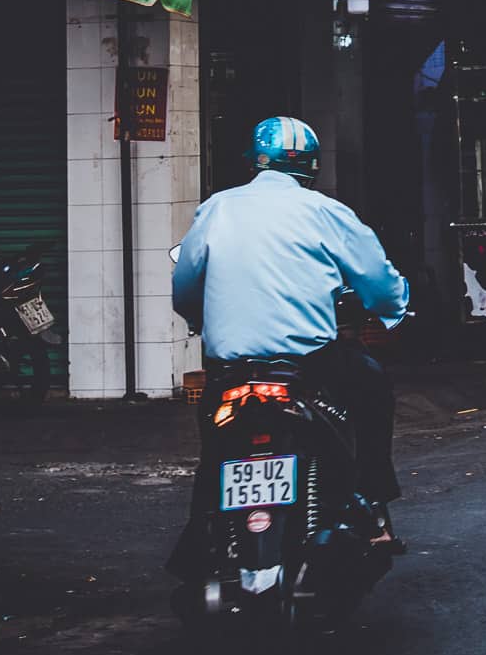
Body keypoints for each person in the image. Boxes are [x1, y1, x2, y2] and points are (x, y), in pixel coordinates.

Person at [169, 116, 412, 562]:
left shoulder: (217, 209)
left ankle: (201, 534)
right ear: (311, 166)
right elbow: (378, 281)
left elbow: (184, 286)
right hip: (309, 364)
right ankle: (373, 511)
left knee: (216, 443)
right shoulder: (325, 211)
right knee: (372, 387)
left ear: (253, 162)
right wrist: (393, 309)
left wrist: (197, 319)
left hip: (230, 371)